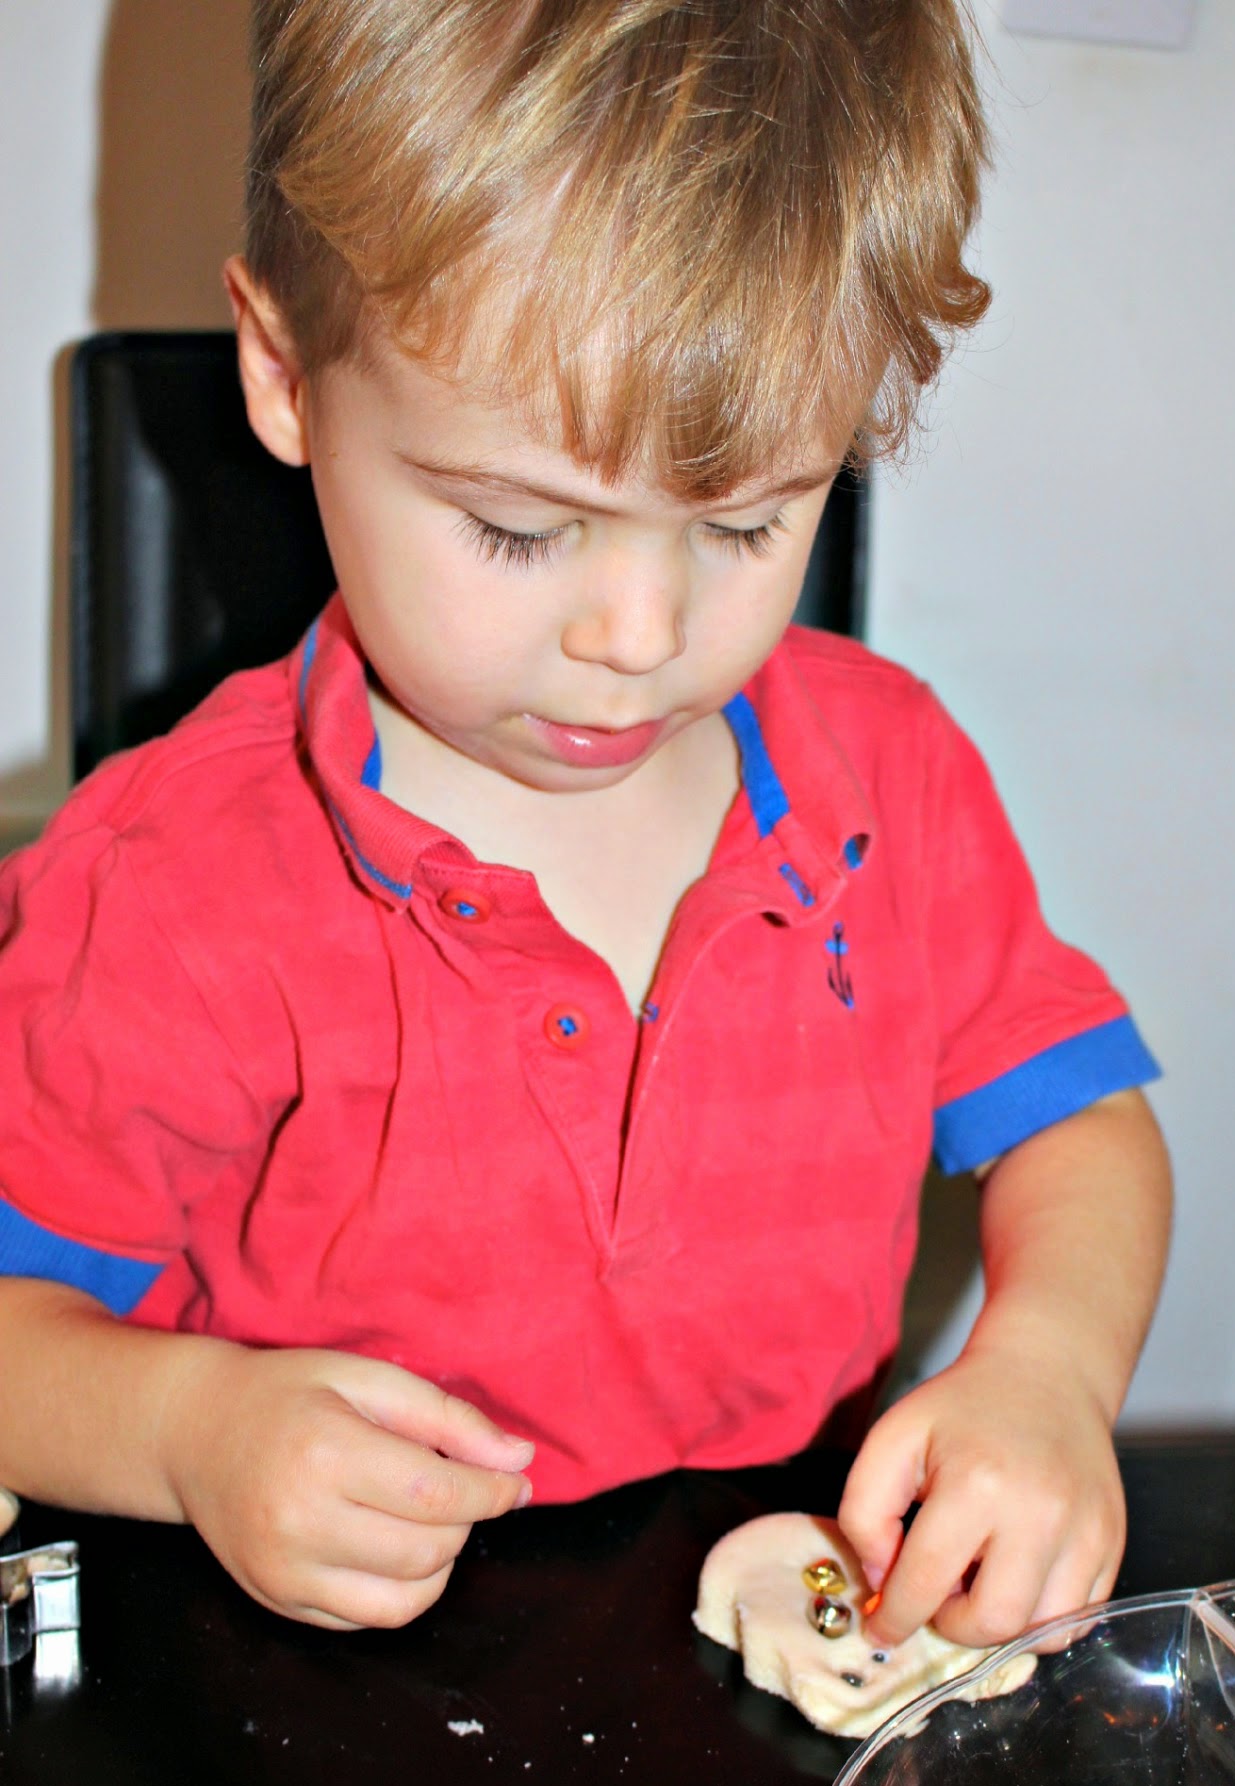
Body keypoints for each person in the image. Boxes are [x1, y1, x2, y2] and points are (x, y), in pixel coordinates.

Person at [0, 0, 1170, 1649]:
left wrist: (1046, 1370)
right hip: (315, 1689)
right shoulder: (174, 888)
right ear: (283, 373)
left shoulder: (883, 782)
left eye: (747, 518)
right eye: (515, 528)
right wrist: (191, 1432)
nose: (636, 633)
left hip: (766, 1632)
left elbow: (1081, 1124)